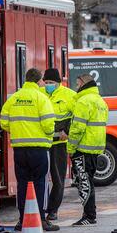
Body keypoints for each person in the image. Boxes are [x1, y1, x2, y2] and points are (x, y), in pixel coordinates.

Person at [0, 68, 60, 232]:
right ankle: (41, 218)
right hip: (39, 149)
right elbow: (48, 124)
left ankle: (22, 219)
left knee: (22, 184)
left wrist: (18, 130)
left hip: (20, 149)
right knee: (41, 183)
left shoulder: (14, 98)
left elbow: (4, 122)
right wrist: (47, 134)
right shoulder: (41, 98)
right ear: (39, 81)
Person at [67, 73, 109, 226]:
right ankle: (90, 214)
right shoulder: (100, 101)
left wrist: (71, 147)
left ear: (84, 84)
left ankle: (89, 216)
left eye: (77, 85)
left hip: (82, 149)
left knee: (84, 182)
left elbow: (77, 128)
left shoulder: (83, 102)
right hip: (95, 148)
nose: (76, 87)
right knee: (88, 181)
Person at [40, 68, 76, 221]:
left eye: (51, 83)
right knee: (40, 178)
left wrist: (67, 130)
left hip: (59, 143)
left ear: (58, 83)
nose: (48, 85)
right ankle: (41, 208)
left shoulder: (69, 95)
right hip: (42, 142)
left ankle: (53, 210)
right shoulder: (40, 94)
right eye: (46, 82)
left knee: (57, 178)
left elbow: (77, 116)